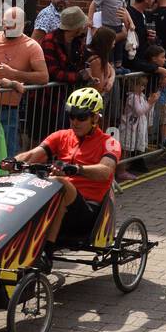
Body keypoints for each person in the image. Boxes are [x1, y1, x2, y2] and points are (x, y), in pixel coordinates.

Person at [7, 87, 121, 247]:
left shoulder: (109, 143)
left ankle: (48, 249)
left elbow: (105, 171)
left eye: (81, 117)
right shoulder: (61, 136)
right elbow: (33, 155)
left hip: (87, 211)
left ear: (95, 117)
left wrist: (76, 169)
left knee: (60, 183)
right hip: (60, 203)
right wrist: (13, 161)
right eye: (72, 116)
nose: (75, 121)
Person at [0, 7, 48, 157]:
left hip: (7, 108)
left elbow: (43, 77)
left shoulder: (32, 46)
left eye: (13, 24)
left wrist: (15, 74)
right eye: (6, 23)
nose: (7, 27)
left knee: (6, 152)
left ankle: (6, 180)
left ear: (23, 25)